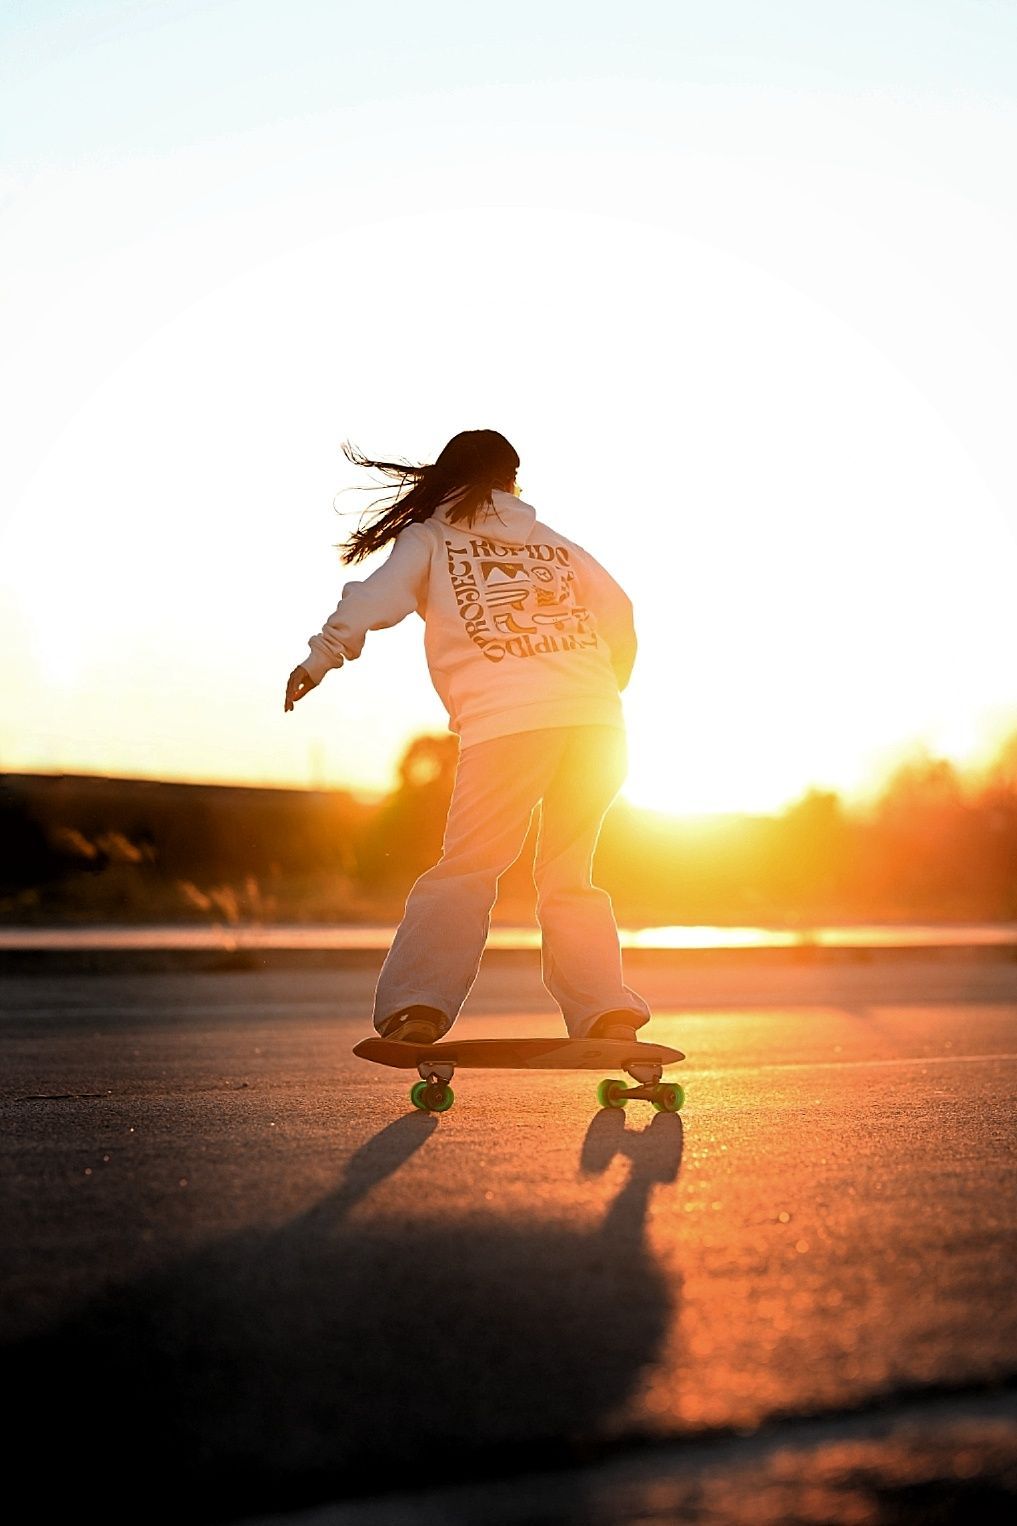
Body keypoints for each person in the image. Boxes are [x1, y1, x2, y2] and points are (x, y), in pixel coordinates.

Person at [285, 429, 650, 1047]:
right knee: (569, 875)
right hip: (597, 727)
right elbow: (620, 616)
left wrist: (322, 657)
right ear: (513, 481)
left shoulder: (429, 539)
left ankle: (418, 1007)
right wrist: (596, 693)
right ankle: (605, 1010)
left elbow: (376, 598)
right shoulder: (558, 546)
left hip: (510, 726)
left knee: (468, 869)